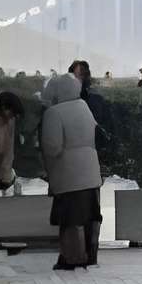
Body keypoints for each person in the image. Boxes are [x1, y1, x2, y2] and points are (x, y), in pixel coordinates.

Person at [39, 71, 101, 272]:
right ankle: (90, 255)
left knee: (70, 218)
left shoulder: (54, 113)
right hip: (90, 170)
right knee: (89, 216)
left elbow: (52, 147)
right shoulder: (84, 107)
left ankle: (72, 258)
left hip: (68, 173)